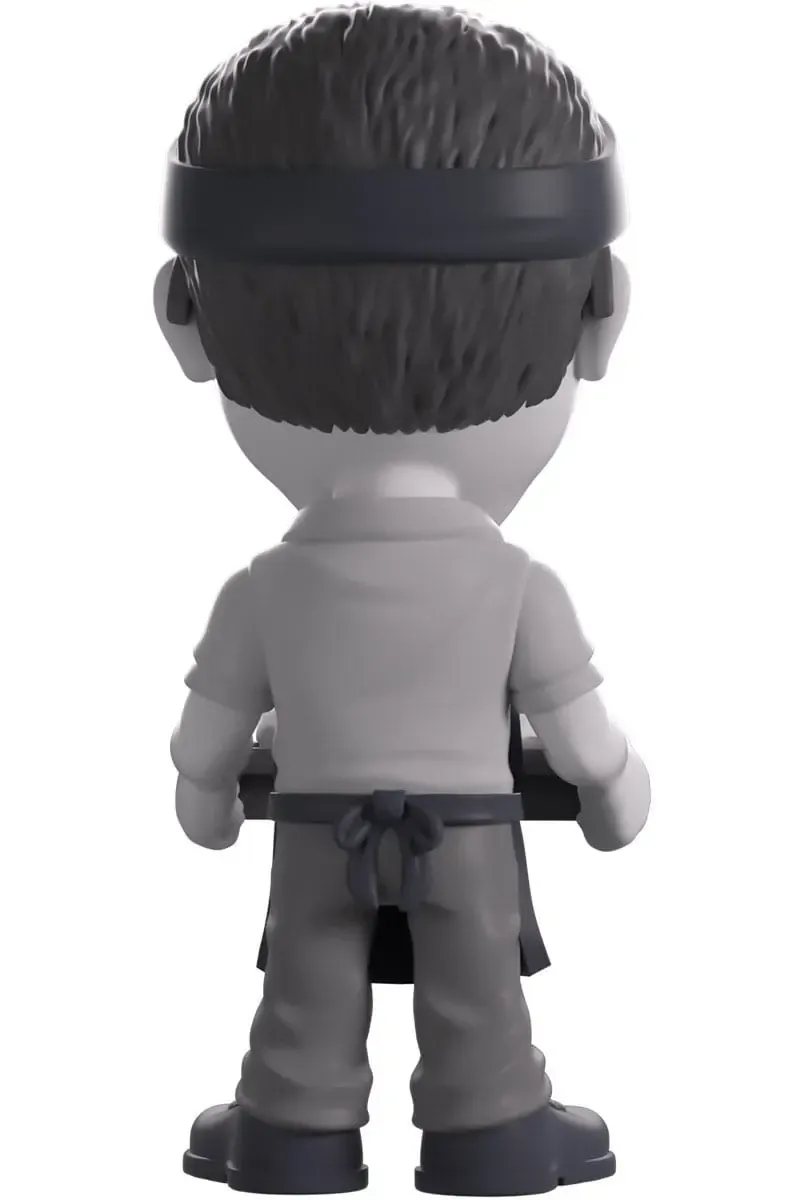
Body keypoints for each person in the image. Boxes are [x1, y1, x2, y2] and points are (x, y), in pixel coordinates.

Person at [154, 5, 651, 1194]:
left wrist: (208, 800)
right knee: (477, 996)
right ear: (602, 316)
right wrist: (615, 792)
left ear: (188, 325)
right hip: (466, 841)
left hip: (316, 833)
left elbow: (202, 748)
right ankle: (493, 1130)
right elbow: (585, 745)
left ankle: (291, 1131)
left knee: (306, 989)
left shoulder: (262, 590)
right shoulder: (519, 586)